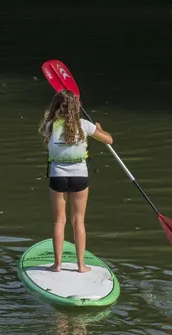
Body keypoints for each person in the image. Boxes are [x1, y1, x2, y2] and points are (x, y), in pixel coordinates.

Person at [38, 89, 113, 272]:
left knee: (59, 221)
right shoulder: (85, 125)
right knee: (78, 220)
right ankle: (81, 266)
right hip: (79, 176)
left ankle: (57, 265)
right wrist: (99, 128)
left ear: (56, 106)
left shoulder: (50, 125)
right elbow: (109, 140)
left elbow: (46, 141)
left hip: (58, 176)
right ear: (76, 107)